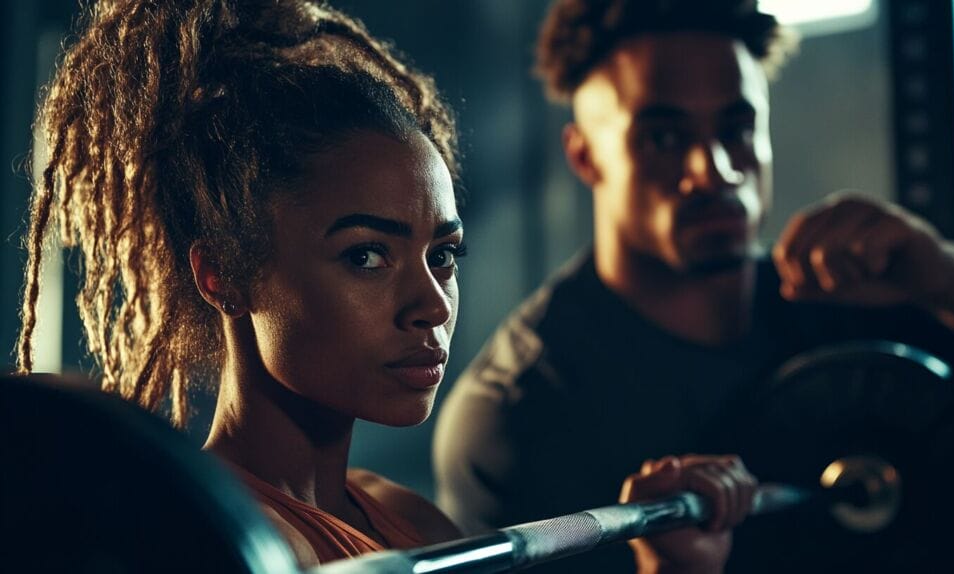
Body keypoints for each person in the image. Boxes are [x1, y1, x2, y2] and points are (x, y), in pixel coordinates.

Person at [16, 1, 758, 571]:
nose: (431, 305)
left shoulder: (409, 520)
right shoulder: (194, 537)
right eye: (367, 256)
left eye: (444, 255)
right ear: (223, 275)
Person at [433, 0, 954, 572]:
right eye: (663, 138)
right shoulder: (518, 416)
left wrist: (948, 275)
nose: (714, 170)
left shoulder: (858, 303)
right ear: (586, 157)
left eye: (736, 128)